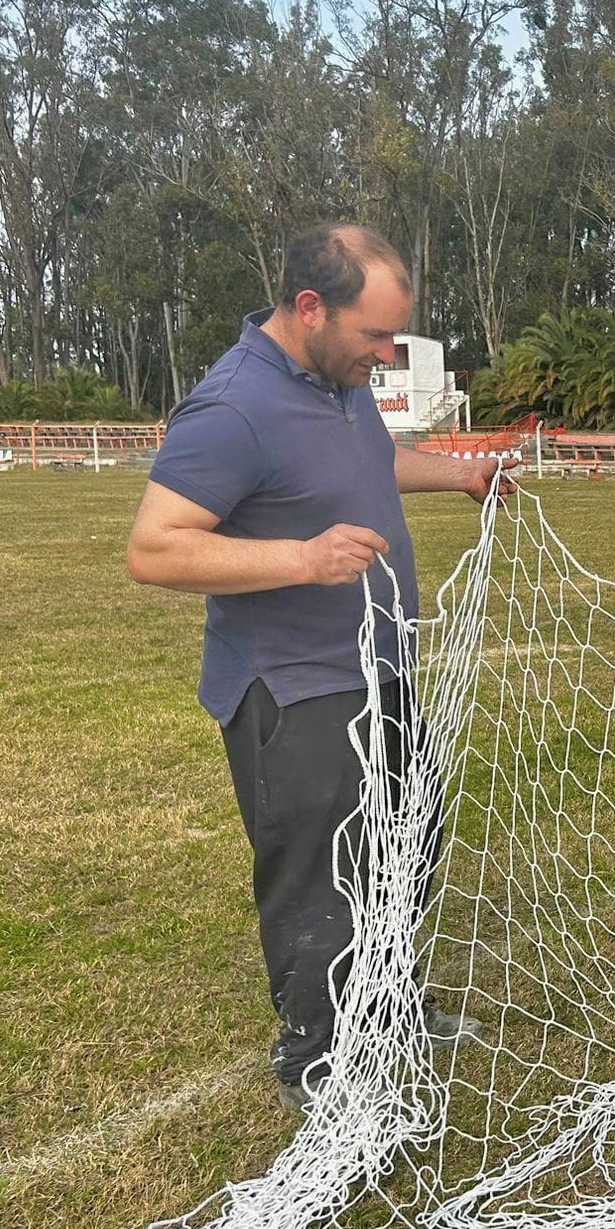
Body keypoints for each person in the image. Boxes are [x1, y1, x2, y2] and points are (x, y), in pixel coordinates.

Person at [126, 222, 518, 1117]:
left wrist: (462, 477)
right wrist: (303, 560)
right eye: (374, 335)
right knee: (320, 877)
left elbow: (368, 463)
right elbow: (154, 550)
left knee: (402, 850)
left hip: (380, 664)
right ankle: (317, 1060)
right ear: (310, 308)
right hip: (295, 687)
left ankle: (389, 1003)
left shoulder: (337, 382)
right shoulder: (231, 407)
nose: (385, 355)